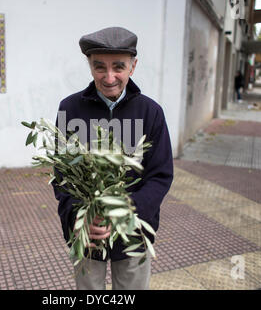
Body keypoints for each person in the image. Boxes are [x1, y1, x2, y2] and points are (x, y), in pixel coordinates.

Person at [52, 27, 174, 290]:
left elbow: (160, 175)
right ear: (89, 66)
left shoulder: (151, 113)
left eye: (118, 67)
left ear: (133, 66)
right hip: (88, 235)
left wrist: (123, 212)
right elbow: (62, 176)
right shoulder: (70, 109)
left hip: (133, 235)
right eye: (99, 67)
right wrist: (79, 216)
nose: (109, 78)